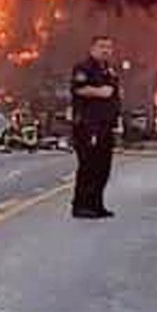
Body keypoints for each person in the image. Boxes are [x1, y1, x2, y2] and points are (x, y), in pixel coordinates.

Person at [68, 35, 121, 219]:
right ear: (92, 48)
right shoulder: (84, 68)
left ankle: (97, 204)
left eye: (109, 47)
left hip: (106, 126)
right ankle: (81, 205)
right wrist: (100, 92)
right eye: (102, 46)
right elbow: (78, 89)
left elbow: (114, 95)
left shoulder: (109, 70)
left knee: (103, 168)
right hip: (88, 125)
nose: (106, 50)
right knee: (88, 166)